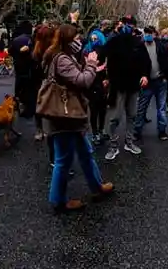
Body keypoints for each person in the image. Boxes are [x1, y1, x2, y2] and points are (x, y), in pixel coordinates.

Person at [41, 23, 115, 213]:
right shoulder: (62, 59)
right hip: (64, 116)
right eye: (76, 38)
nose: (79, 41)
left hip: (73, 116)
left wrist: (92, 69)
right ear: (67, 40)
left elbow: (78, 77)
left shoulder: (66, 56)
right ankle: (58, 200)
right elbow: (82, 81)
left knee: (85, 153)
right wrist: (91, 64)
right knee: (63, 160)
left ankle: (97, 186)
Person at [102, 16, 146, 160]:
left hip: (133, 86)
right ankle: (113, 146)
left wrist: (145, 75)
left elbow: (145, 62)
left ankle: (129, 142)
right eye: (125, 24)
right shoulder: (113, 41)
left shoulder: (138, 43)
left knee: (132, 115)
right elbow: (102, 57)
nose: (127, 26)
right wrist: (105, 78)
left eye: (130, 24)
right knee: (114, 117)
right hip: (117, 85)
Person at [134, 25, 168, 143]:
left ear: (155, 34)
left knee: (161, 108)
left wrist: (166, 76)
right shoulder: (139, 47)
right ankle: (137, 131)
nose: (148, 35)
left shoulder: (160, 46)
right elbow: (136, 64)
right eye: (146, 33)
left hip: (160, 80)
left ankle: (162, 131)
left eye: (150, 33)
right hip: (146, 82)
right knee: (142, 107)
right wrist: (142, 76)